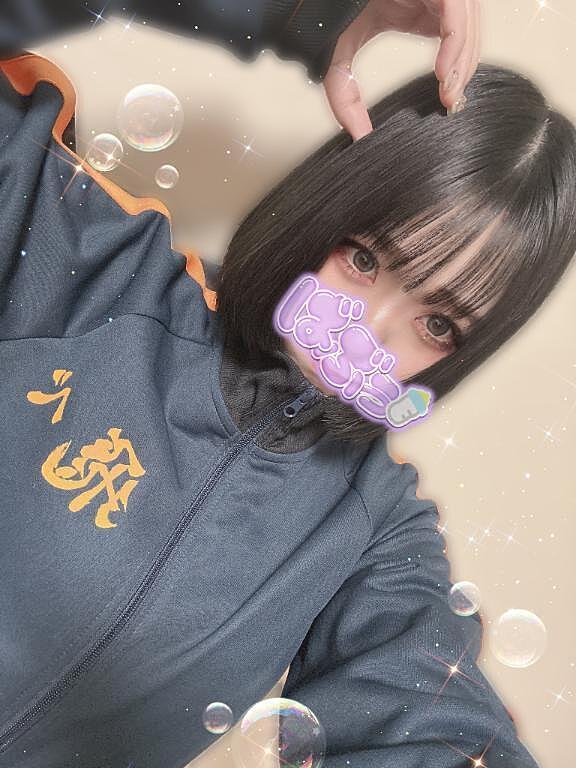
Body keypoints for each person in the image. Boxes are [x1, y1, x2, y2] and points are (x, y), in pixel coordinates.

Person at [0, 2, 572, 767]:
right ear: (326, 204)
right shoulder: (90, 261)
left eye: (438, 324)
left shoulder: (374, 533)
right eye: (364, 258)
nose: (365, 332)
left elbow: (436, 727)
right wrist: (305, 8)